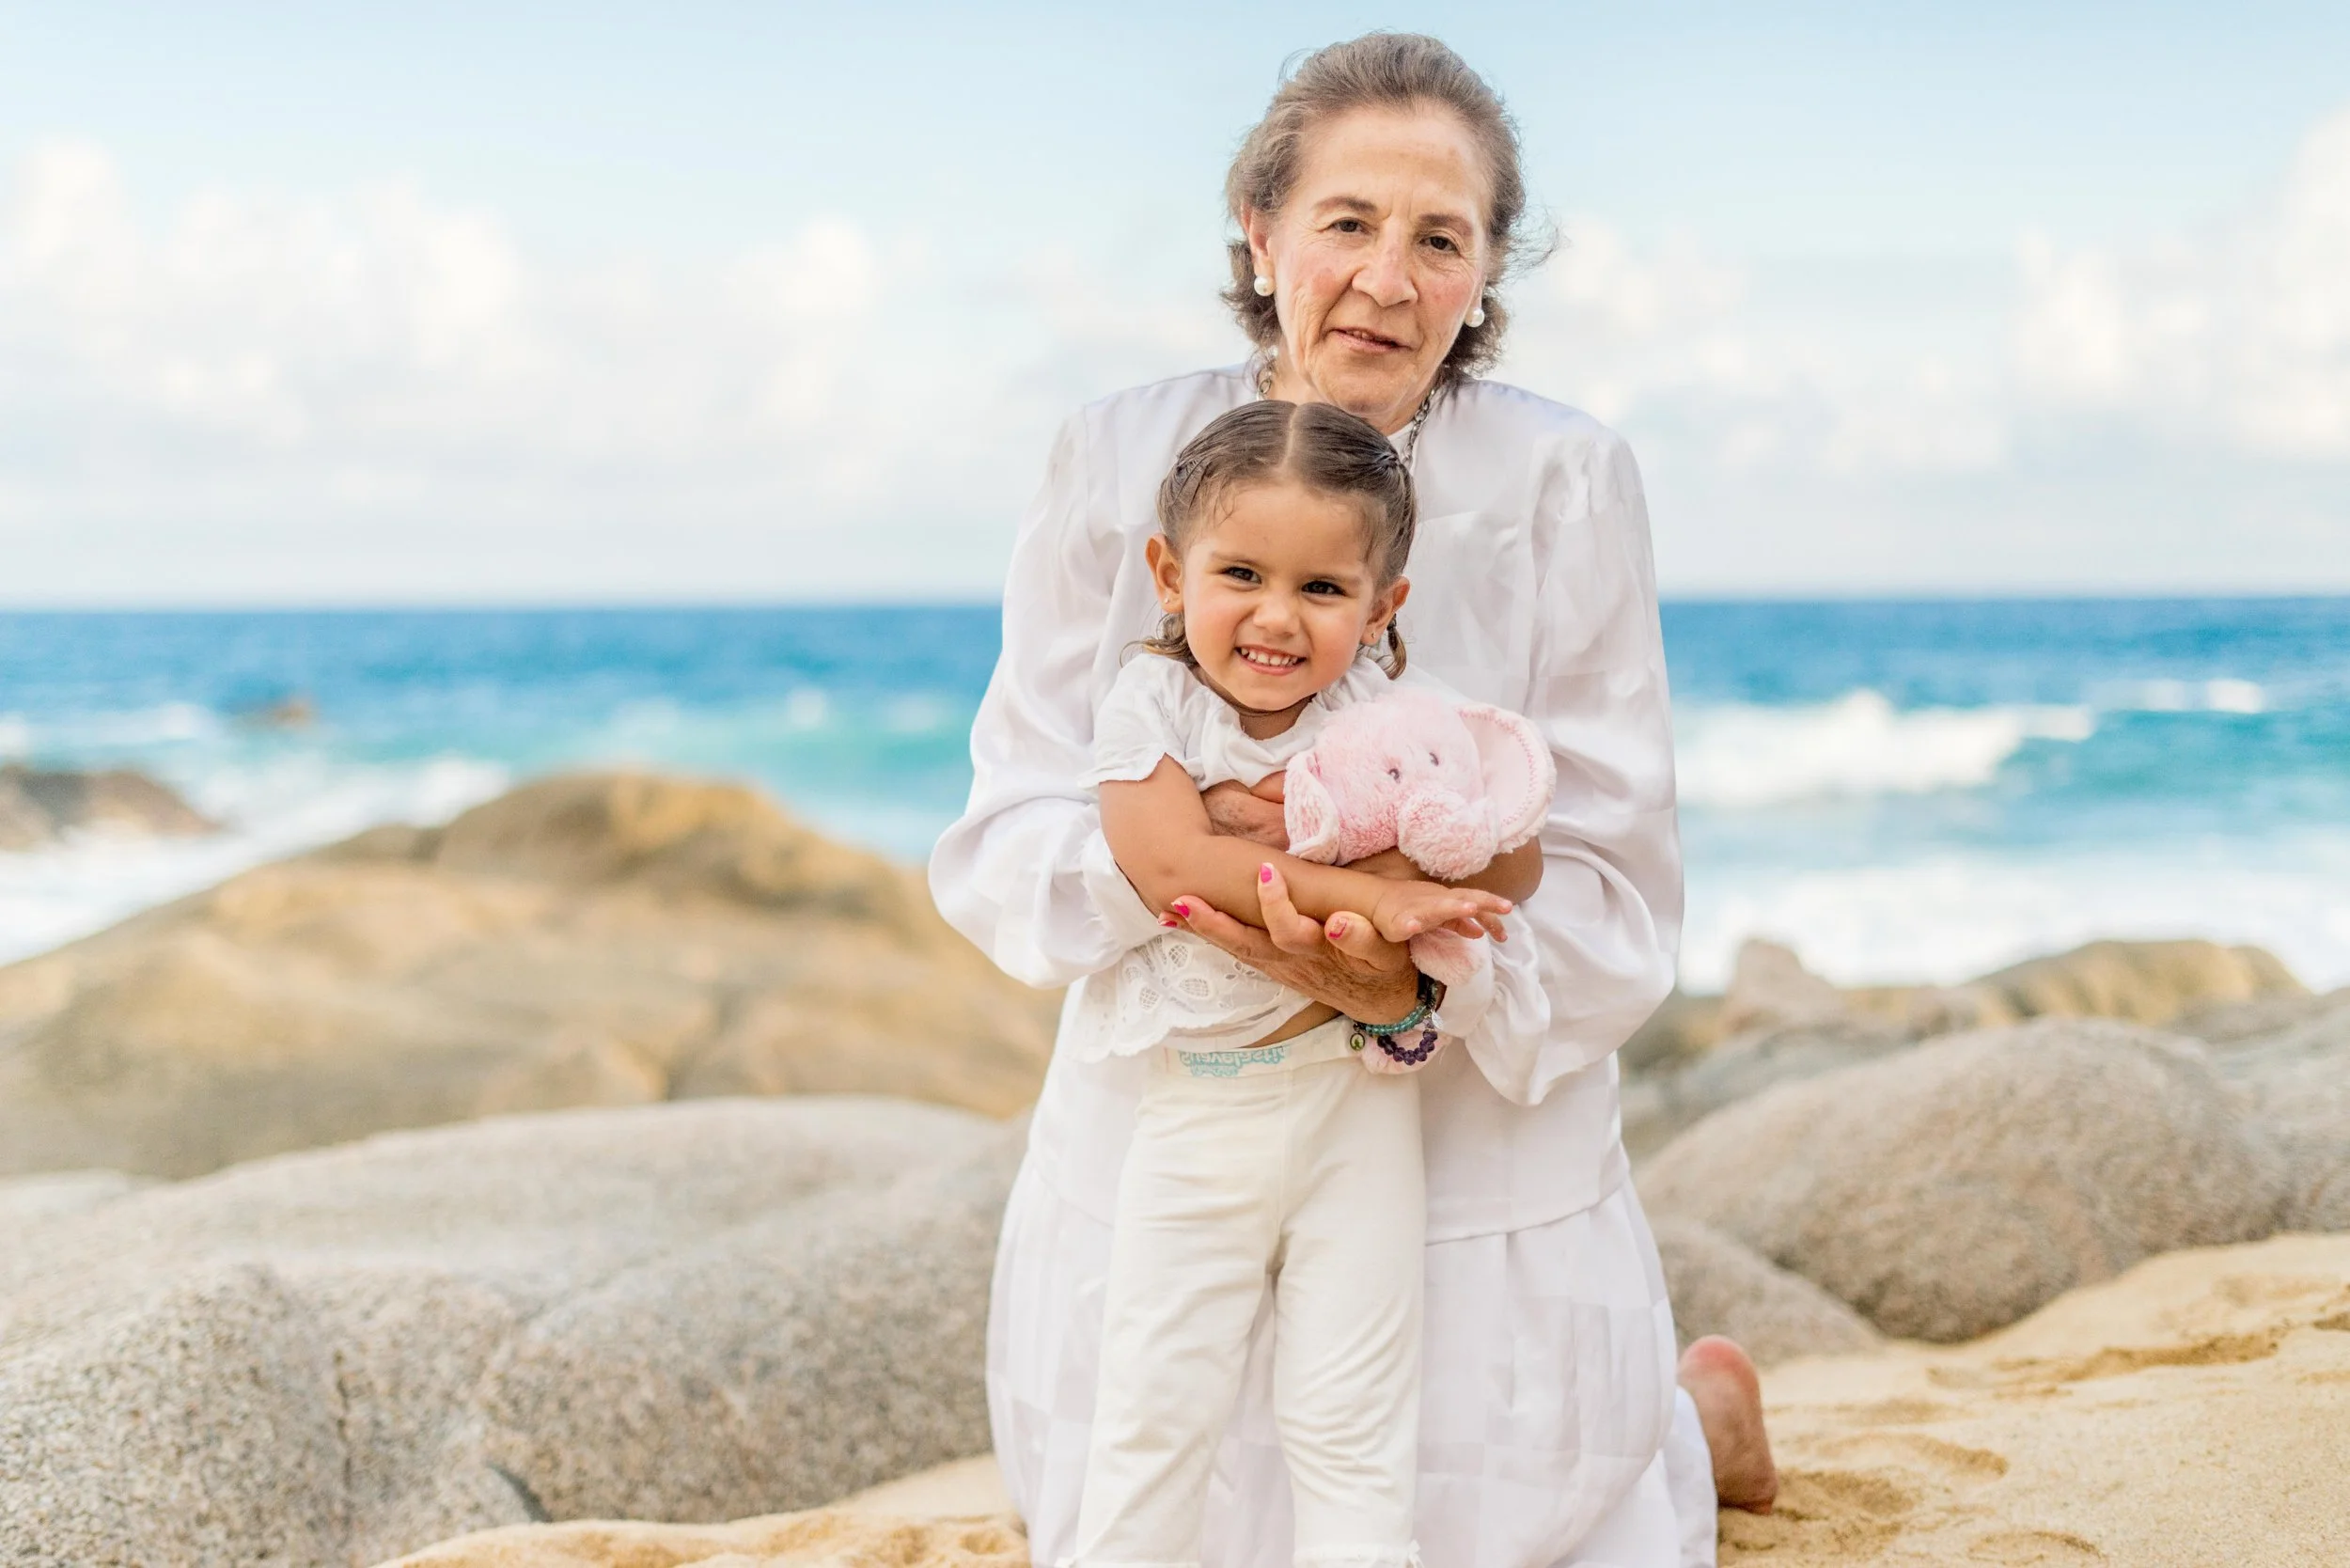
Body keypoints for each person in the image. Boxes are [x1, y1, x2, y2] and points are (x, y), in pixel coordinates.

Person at [930, 32, 1777, 1568]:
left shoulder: (1568, 479)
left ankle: (1695, 1426)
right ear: (1259, 234)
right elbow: (1007, 842)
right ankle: (1699, 1413)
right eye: (1347, 223)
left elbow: (1612, 884)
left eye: (1439, 238)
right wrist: (1258, 904)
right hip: (1182, 1123)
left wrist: (1404, 977)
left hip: (1445, 1126)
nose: (1388, 277)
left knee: (1526, 1515)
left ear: (1487, 269)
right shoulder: (1117, 456)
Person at [1071, 398, 1528, 1568]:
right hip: (1199, 1115)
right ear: (1170, 575)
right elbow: (1171, 861)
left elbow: (1511, 843)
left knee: (1352, 1422)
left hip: (1357, 1109)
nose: (1277, 618)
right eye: (1241, 574)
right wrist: (1377, 893)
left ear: (1383, 608)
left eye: (1324, 590)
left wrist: (1432, 858)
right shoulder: (1154, 706)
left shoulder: (1379, 716)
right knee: (1154, 1418)